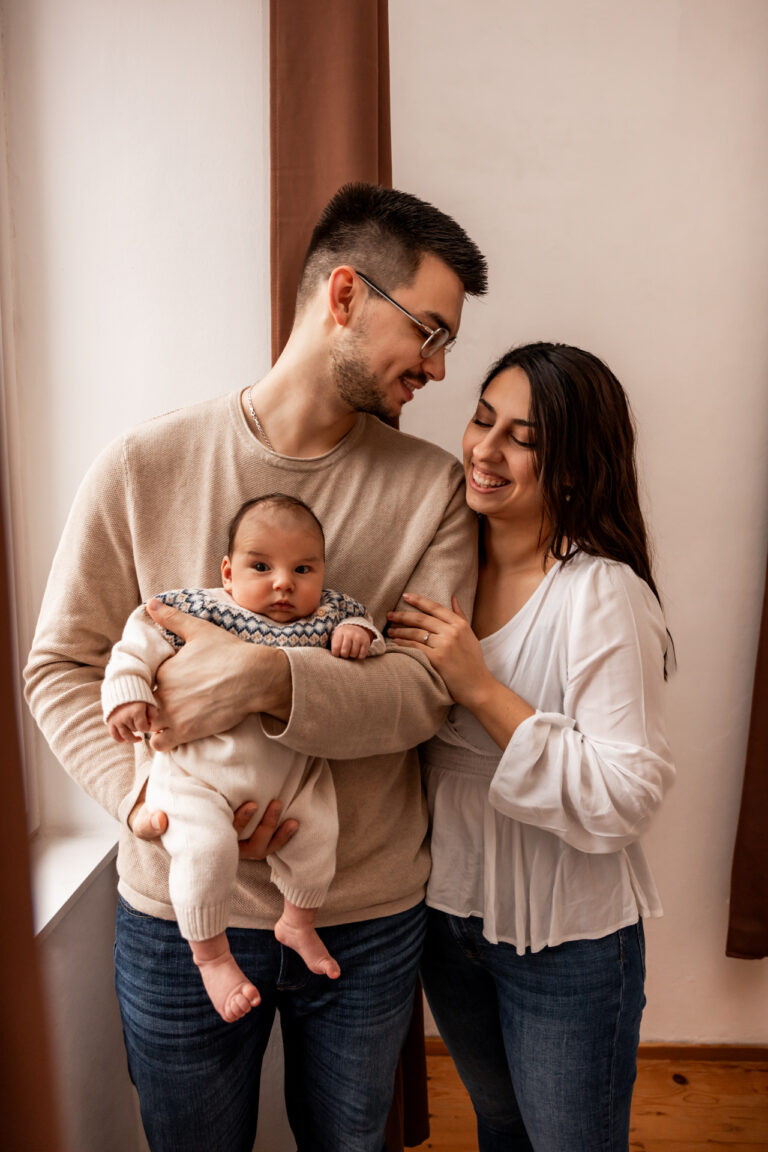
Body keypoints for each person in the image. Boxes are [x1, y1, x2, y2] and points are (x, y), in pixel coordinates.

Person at [24, 182, 487, 1152]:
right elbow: (62, 667)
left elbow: (424, 690)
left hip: (360, 911)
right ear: (347, 295)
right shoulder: (142, 466)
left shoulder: (433, 489)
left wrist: (265, 682)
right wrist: (143, 799)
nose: (441, 369)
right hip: (174, 910)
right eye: (431, 333)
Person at [387, 342, 675, 1151]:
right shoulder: (438, 564)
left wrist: (479, 686)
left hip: (568, 939)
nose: (484, 448)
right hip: (445, 917)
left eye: (524, 438)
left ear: (576, 469)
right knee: (501, 1127)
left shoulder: (601, 594)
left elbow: (627, 795)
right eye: (483, 419)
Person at [102, 493, 386, 1023]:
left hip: (290, 776)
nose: (284, 582)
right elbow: (135, 640)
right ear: (228, 573)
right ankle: (210, 956)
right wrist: (127, 691)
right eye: (262, 566)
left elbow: (372, 634)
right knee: (205, 848)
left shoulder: (329, 614)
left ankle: (298, 921)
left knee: (320, 828)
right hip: (195, 778)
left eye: (303, 568)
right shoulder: (200, 607)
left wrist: (359, 634)